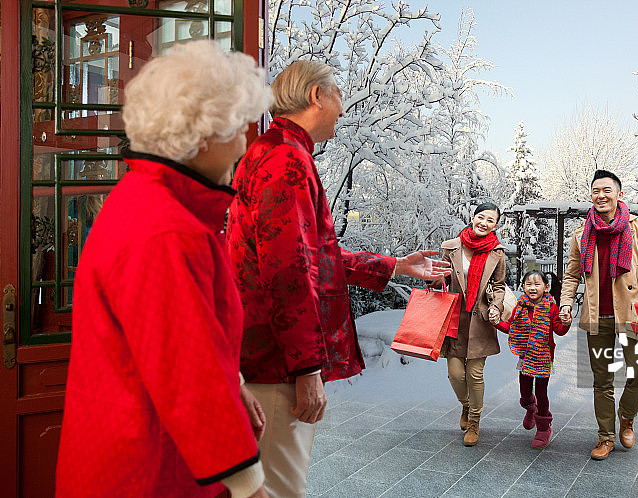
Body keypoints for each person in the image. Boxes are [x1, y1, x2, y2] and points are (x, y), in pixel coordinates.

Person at [55, 41, 273, 498]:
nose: (244, 141)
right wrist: (249, 485)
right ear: (199, 137)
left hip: (127, 448)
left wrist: (233, 386)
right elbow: (187, 374)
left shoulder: (146, 201)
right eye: (236, 126)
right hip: (150, 469)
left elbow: (179, 337)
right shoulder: (167, 230)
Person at [225, 60, 451, 498]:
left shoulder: (276, 153)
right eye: (339, 96)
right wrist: (306, 367)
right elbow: (287, 270)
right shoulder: (286, 160)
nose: (344, 110)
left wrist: (396, 266)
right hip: (276, 365)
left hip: (267, 357)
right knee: (275, 490)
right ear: (316, 97)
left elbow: (313, 254)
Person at [558, 169, 638, 461]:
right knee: (602, 381)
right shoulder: (581, 234)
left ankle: (627, 416)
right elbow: (571, 276)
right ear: (591, 196)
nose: (601, 196)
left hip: (634, 314)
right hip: (597, 316)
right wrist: (566, 304)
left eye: (607, 190)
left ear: (619, 195)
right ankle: (605, 436)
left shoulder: (637, 227)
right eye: (596, 191)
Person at [434, 202, 507, 447]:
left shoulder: (496, 252)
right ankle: (466, 404)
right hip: (455, 318)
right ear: (473, 217)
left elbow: (499, 286)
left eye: (490, 220)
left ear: (495, 226)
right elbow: (441, 278)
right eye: (481, 217)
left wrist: (496, 306)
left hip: (480, 319)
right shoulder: (451, 247)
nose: (484, 223)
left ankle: (474, 420)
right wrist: (432, 277)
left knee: (475, 374)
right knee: (454, 373)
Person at [491, 270, 571, 449]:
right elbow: (511, 327)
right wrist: (496, 322)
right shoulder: (520, 306)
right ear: (523, 287)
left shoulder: (551, 306)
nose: (532, 288)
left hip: (543, 356)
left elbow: (559, 329)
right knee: (525, 392)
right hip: (525, 356)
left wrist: (565, 323)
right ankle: (530, 408)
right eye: (528, 284)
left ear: (546, 287)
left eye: (537, 284)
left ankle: (544, 428)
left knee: (542, 392)